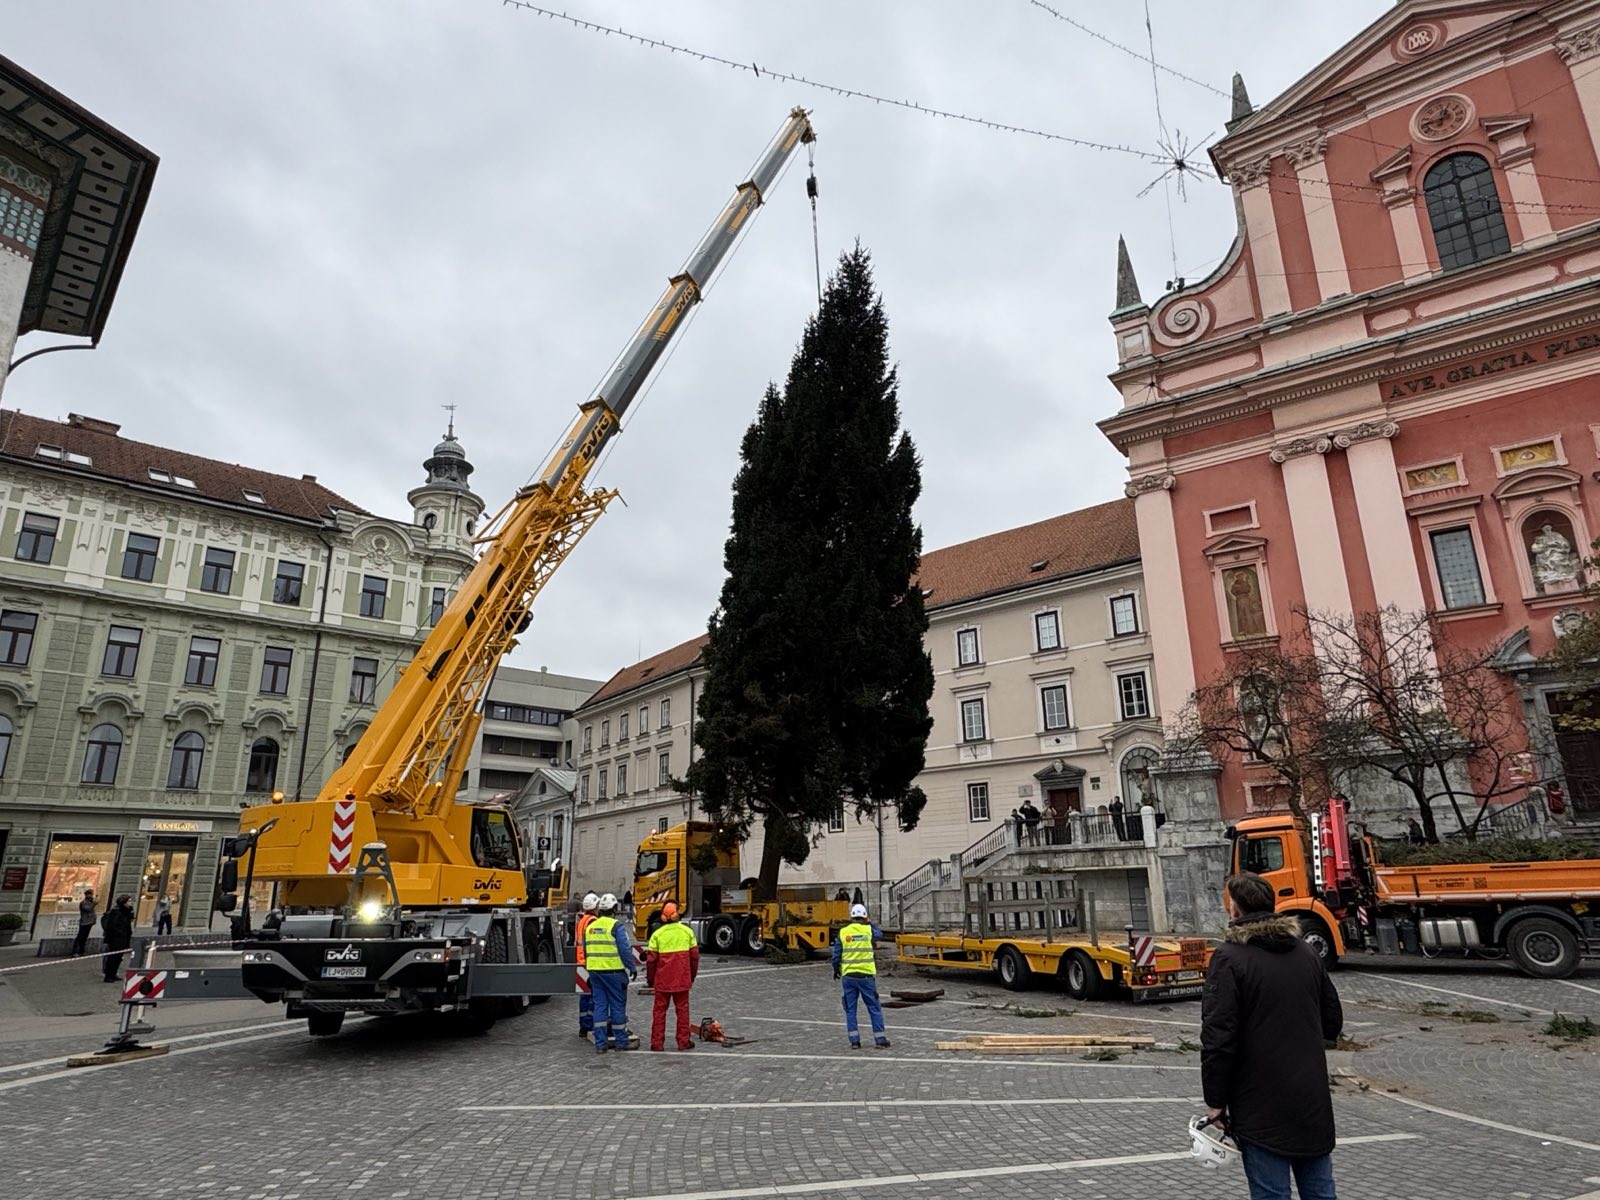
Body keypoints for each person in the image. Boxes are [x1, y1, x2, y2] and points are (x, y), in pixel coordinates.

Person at [1202, 872, 1343, 1200]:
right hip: (1311, 1098)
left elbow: (1218, 1038)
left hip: (1258, 1102)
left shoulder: (1228, 958)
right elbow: (1332, 1021)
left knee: (1271, 1194)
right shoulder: (1306, 952)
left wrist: (1215, 1102)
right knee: (1321, 1192)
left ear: (1235, 909)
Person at [832, 903, 890, 1050]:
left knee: (850, 1009)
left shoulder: (843, 932)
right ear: (864, 917)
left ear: (852, 916)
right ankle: (880, 1040)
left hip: (849, 976)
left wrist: (836, 969)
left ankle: (854, 1041)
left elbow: (836, 954)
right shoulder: (869, 930)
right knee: (874, 1008)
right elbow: (880, 935)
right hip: (866, 976)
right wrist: (869, 922)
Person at [584, 892, 637, 1054]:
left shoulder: (590, 927)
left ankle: (600, 1044)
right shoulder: (616, 926)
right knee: (617, 1005)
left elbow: (586, 950)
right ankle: (621, 1041)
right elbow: (625, 950)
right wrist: (632, 968)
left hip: (595, 972)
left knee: (600, 1005)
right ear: (614, 908)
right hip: (613, 972)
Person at [645, 901, 700, 1052]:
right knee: (682, 1011)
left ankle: (657, 1043)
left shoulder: (657, 935)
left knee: (659, 1012)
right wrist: (692, 976)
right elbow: (694, 958)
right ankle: (683, 1042)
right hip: (682, 979)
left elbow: (651, 961)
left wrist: (651, 979)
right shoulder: (687, 932)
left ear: (663, 917)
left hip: (662, 981)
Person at [574, 892, 600, 1040]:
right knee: (592, 996)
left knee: (584, 996)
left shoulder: (582, 920)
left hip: (581, 961)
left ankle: (583, 1026)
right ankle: (589, 1024)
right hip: (589, 962)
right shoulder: (593, 921)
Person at [100, 894, 135, 983]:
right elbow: (113, 926)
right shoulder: (116, 912)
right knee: (113, 958)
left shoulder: (127, 911)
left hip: (123, 939)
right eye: (129, 901)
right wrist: (121, 933)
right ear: (124, 902)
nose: (131, 902)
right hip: (116, 939)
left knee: (119, 958)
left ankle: (113, 974)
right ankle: (108, 976)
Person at [71, 889, 97, 956]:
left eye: (92, 894)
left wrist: (94, 919)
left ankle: (81, 951)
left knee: (85, 937)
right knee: (80, 937)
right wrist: (94, 904)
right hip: (84, 922)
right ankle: (75, 951)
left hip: (89, 922)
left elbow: (92, 912)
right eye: (91, 894)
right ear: (87, 895)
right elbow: (88, 909)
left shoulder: (90, 902)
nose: (92, 896)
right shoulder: (84, 903)